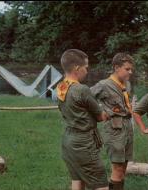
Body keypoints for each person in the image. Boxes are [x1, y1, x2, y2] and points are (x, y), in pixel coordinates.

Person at [57, 49, 109, 190]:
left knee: (77, 180)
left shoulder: (61, 86)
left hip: (68, 142)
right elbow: (100, 117)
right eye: (86, 67)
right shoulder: (82, 89)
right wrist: (106, 112)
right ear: (76, 68)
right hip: (83, 144)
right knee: (101, 185)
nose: (87, 71)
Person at [91, 53, 134, 190]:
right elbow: (86, 97)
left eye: (131, 69)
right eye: (127, 69)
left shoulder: (126, 84)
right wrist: (99, 112)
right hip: (114, 129)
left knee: (123, 168)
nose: (130, 72)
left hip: (127, 127)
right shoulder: (104, 85)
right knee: (117, 168)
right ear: (116, 67)